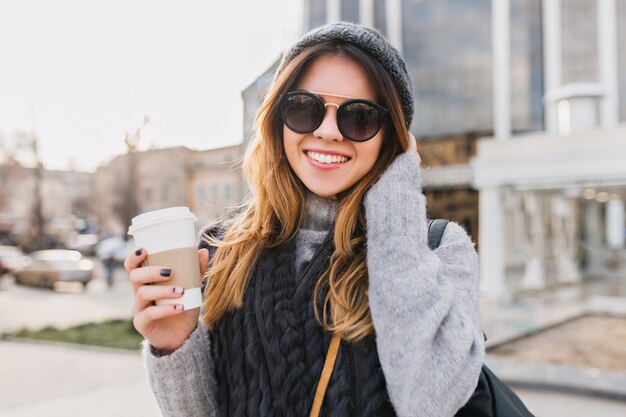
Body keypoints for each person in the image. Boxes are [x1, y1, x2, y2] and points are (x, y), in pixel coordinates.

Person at [125, 22, 484, 417]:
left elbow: (428, 401)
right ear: (277, 120)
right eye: (304, 108)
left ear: (392, 137)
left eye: (360, 117)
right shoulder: (219, 251)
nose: (328, 131)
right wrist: (176, 344)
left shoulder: (440, 251)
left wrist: (399, 190)